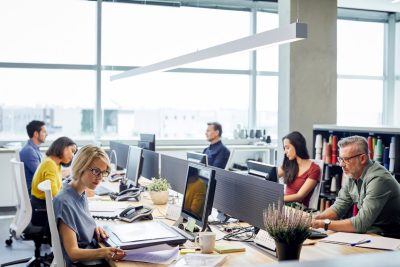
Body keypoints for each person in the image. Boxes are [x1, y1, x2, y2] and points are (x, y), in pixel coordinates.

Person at [53, 145, 126, 266]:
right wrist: (105, 252)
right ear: (80, 167)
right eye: (96, 171)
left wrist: (93, 228)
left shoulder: (80, 192)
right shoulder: (64, 201)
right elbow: (73, 253)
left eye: (103, 172)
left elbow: (82, 220)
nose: (100, 177)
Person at [313, 136, 400, 234]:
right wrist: (315, 219)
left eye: (346, 159)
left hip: (390, 238)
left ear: (363, 158)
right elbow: (338, 207)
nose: (341, 164)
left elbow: (360, 224)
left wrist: (321, 224)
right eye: (340, 159)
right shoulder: (352, 175)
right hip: (371, 234)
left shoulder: (378, 179)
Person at [30, 137, 77, 229]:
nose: (73, 155)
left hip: (43, 207)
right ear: (63, 147)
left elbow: (58, 188)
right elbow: (56, 195)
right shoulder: (50, 164)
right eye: (72, 151)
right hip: (41, 211)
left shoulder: (55, 163)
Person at [278, 131, 321, 207]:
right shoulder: (289, 164)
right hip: (283, 204)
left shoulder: (315, 169)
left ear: (297, 145)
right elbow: (271, 176)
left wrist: (278, 199)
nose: (285, 152)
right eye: (285, 148)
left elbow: (299, 196)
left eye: (287, 147)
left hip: (298, 209)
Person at [20, 120, 48, 196]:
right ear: (36, 133)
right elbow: (41, 174)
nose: (46, 134)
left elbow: (42, 170)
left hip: (37, 188)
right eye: (44, 132)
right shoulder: (29, 151)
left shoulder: (33, 149)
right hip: (34, 193)